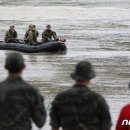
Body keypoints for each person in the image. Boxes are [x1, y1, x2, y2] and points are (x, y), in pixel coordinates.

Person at [50, 61, 112, 130]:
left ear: (75, 77)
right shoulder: (97, 99)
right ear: (90, 78)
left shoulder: (60, 98)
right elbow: (106, 126)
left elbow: (54, 127)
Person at [0, 52, 46, 130]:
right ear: (23, 66)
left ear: (5, 67)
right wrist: (40, 100)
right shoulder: (31, 91)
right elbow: (40, 122)